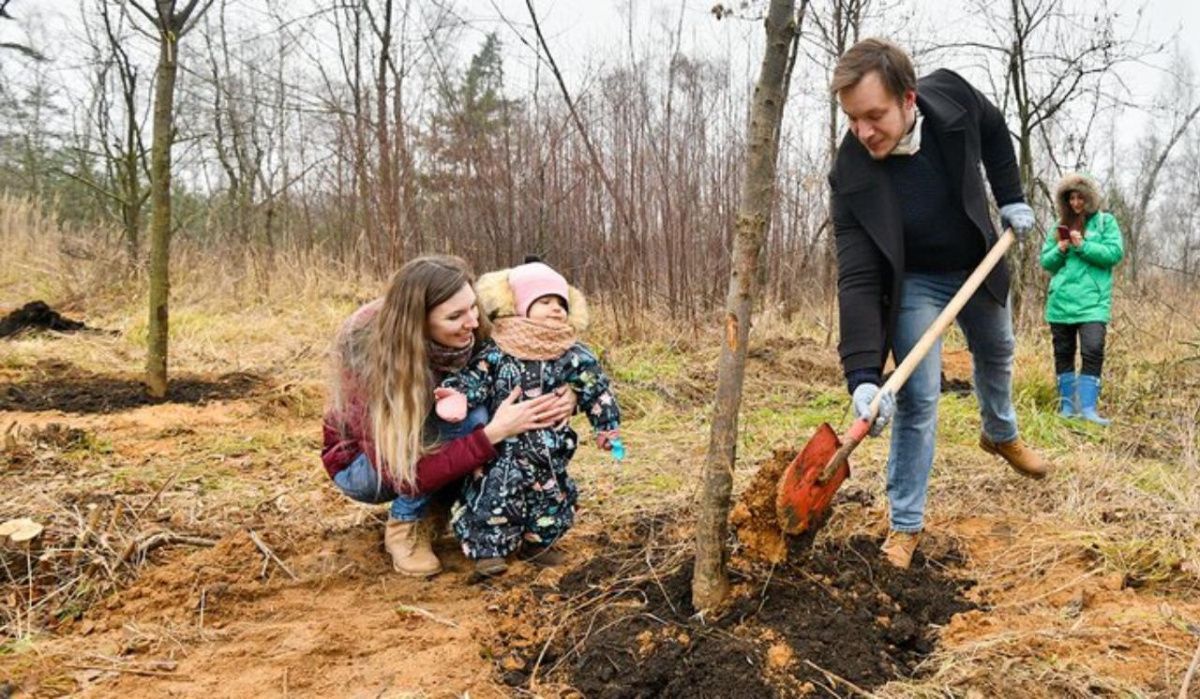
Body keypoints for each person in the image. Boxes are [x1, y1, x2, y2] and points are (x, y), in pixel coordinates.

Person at [827, 38, 1050, 569]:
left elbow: (996, 131)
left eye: (874, 115)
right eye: (852, 119)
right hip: (916, 285)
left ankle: (999, 433)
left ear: (908, 100)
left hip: (976, 259)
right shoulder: (850, 174)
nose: (863, 131)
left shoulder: (951, 97)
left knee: (997, 349)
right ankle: (905, 525)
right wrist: (861, 376)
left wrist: (1011, 194)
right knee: (918, 398)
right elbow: (857, 277)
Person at [321, 255, 576, 577]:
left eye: (473, 307)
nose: (472, 321)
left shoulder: (475, 327)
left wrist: (570, 394)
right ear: (419, 323)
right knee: (475, 419)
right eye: (455, 316)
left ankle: (457, 509)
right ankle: (407, 523)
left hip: (431, 442)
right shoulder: (367, 351)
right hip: (367, 466)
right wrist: (493, 433)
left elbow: (539, 357)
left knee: (495, 408)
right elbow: (401, 469)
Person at [435, 261, 621, 577]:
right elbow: (475, 378)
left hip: (550, 449)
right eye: (545, 302)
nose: (555, 310)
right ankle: (489, 552)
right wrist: (457, 396)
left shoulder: (573, 354)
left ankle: (540, 544)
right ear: (520, 306)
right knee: (494, 499)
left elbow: (596, 388)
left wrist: (607, 427)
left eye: (561, 303)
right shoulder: (499, 350)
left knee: (551, 497)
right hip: (503, 451)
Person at [1040, 172, 1124, 425]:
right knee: (1063, 352)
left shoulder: (1105, 222)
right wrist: (1061, 248)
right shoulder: (1058, 225)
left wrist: (1083, 245)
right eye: (1071, 198)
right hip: (1061, 301)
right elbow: (1046, 262)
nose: (1076, 203)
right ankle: (1068, 407)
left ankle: (1088, 409)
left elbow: (1114, 253)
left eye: (1080, 197)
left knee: (1093, 349)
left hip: (1093, 303)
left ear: (1090, 198)